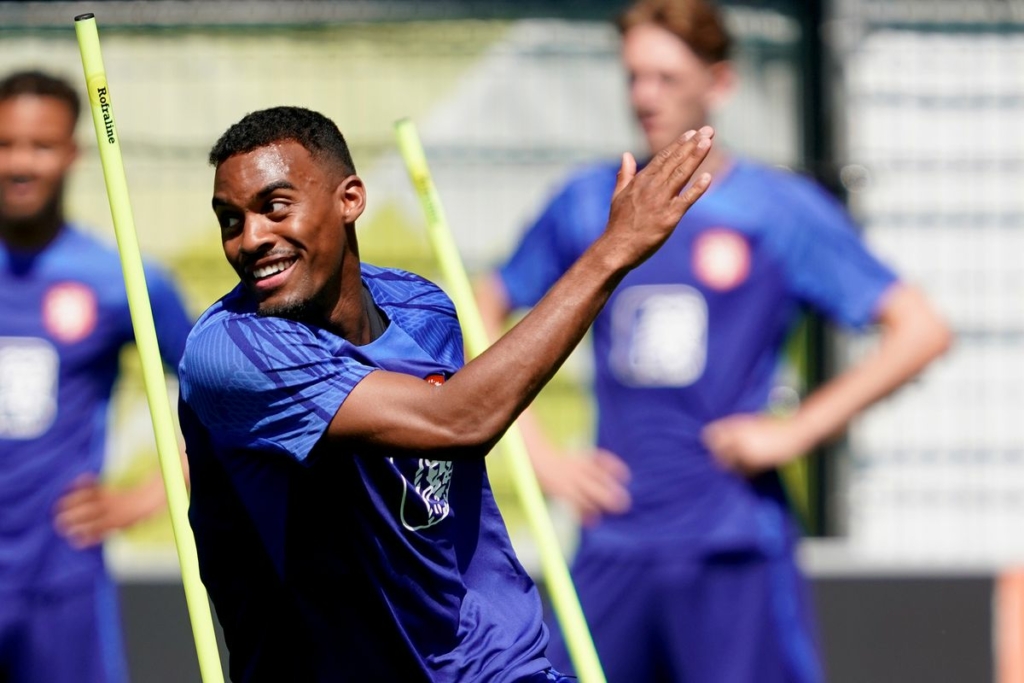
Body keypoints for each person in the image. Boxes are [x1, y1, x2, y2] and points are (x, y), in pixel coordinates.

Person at [473, 1, 953, 681]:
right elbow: (481, 304)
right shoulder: (589, 203)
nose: (645, 96)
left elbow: (920, 329)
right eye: (634, 76)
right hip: (615, 539)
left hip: (732, 543)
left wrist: (794, 432)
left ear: (719, 83)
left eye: (666, 77)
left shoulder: (775, 210)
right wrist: (542, 458)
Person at [176, 105, 712, 681]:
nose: (250, 239)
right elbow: (458, 421)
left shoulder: (422, 308)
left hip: (488, 665)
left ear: (350, 199)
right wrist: (612, 252)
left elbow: (440, 484)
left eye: (274, 208)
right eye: (230, 220)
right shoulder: (232, 351)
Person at [0, 70, 194, 683]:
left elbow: (227, 407)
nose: (20, 164)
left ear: (74, 153)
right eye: (4, 144)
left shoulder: (120, 281)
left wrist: (144, 498)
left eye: (41, 145)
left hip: (59, 583)